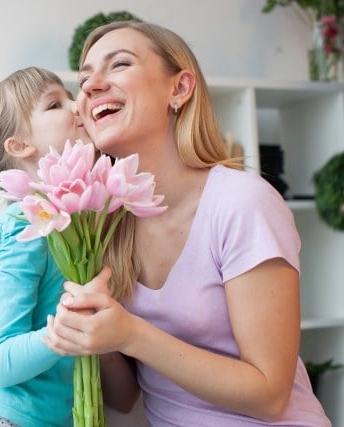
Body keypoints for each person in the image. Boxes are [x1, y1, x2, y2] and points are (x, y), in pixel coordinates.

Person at [43, 21, 332, 426]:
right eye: (85, 77)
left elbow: (269, 395)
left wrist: (130, 334)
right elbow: (124, 399)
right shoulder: (105, 226)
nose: (90, 86)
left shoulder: (240, 202)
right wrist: (98, 333)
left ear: (179, 89)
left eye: (119, 65)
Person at [0, 66, 91, 427]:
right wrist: (64, 332)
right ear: (19, 146)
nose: (77, 105)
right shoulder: (25, 226)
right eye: (55, 104)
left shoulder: (75, 217)